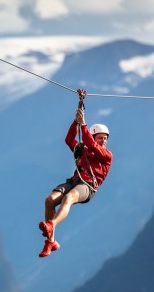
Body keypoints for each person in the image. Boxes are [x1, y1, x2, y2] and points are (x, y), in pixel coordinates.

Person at [38, 93, 113, 257]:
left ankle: (52, 224)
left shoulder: (106, 155)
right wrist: (76, 121)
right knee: (49, 200)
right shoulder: (83, 150)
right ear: (94, 137)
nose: (104, 141)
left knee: (69, 197)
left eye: (105, 139)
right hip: (74, 180)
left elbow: (91, 145)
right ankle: (50, 241)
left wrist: (83, 124)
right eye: (101, 138)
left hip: (88, 186)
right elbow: (69, 139)